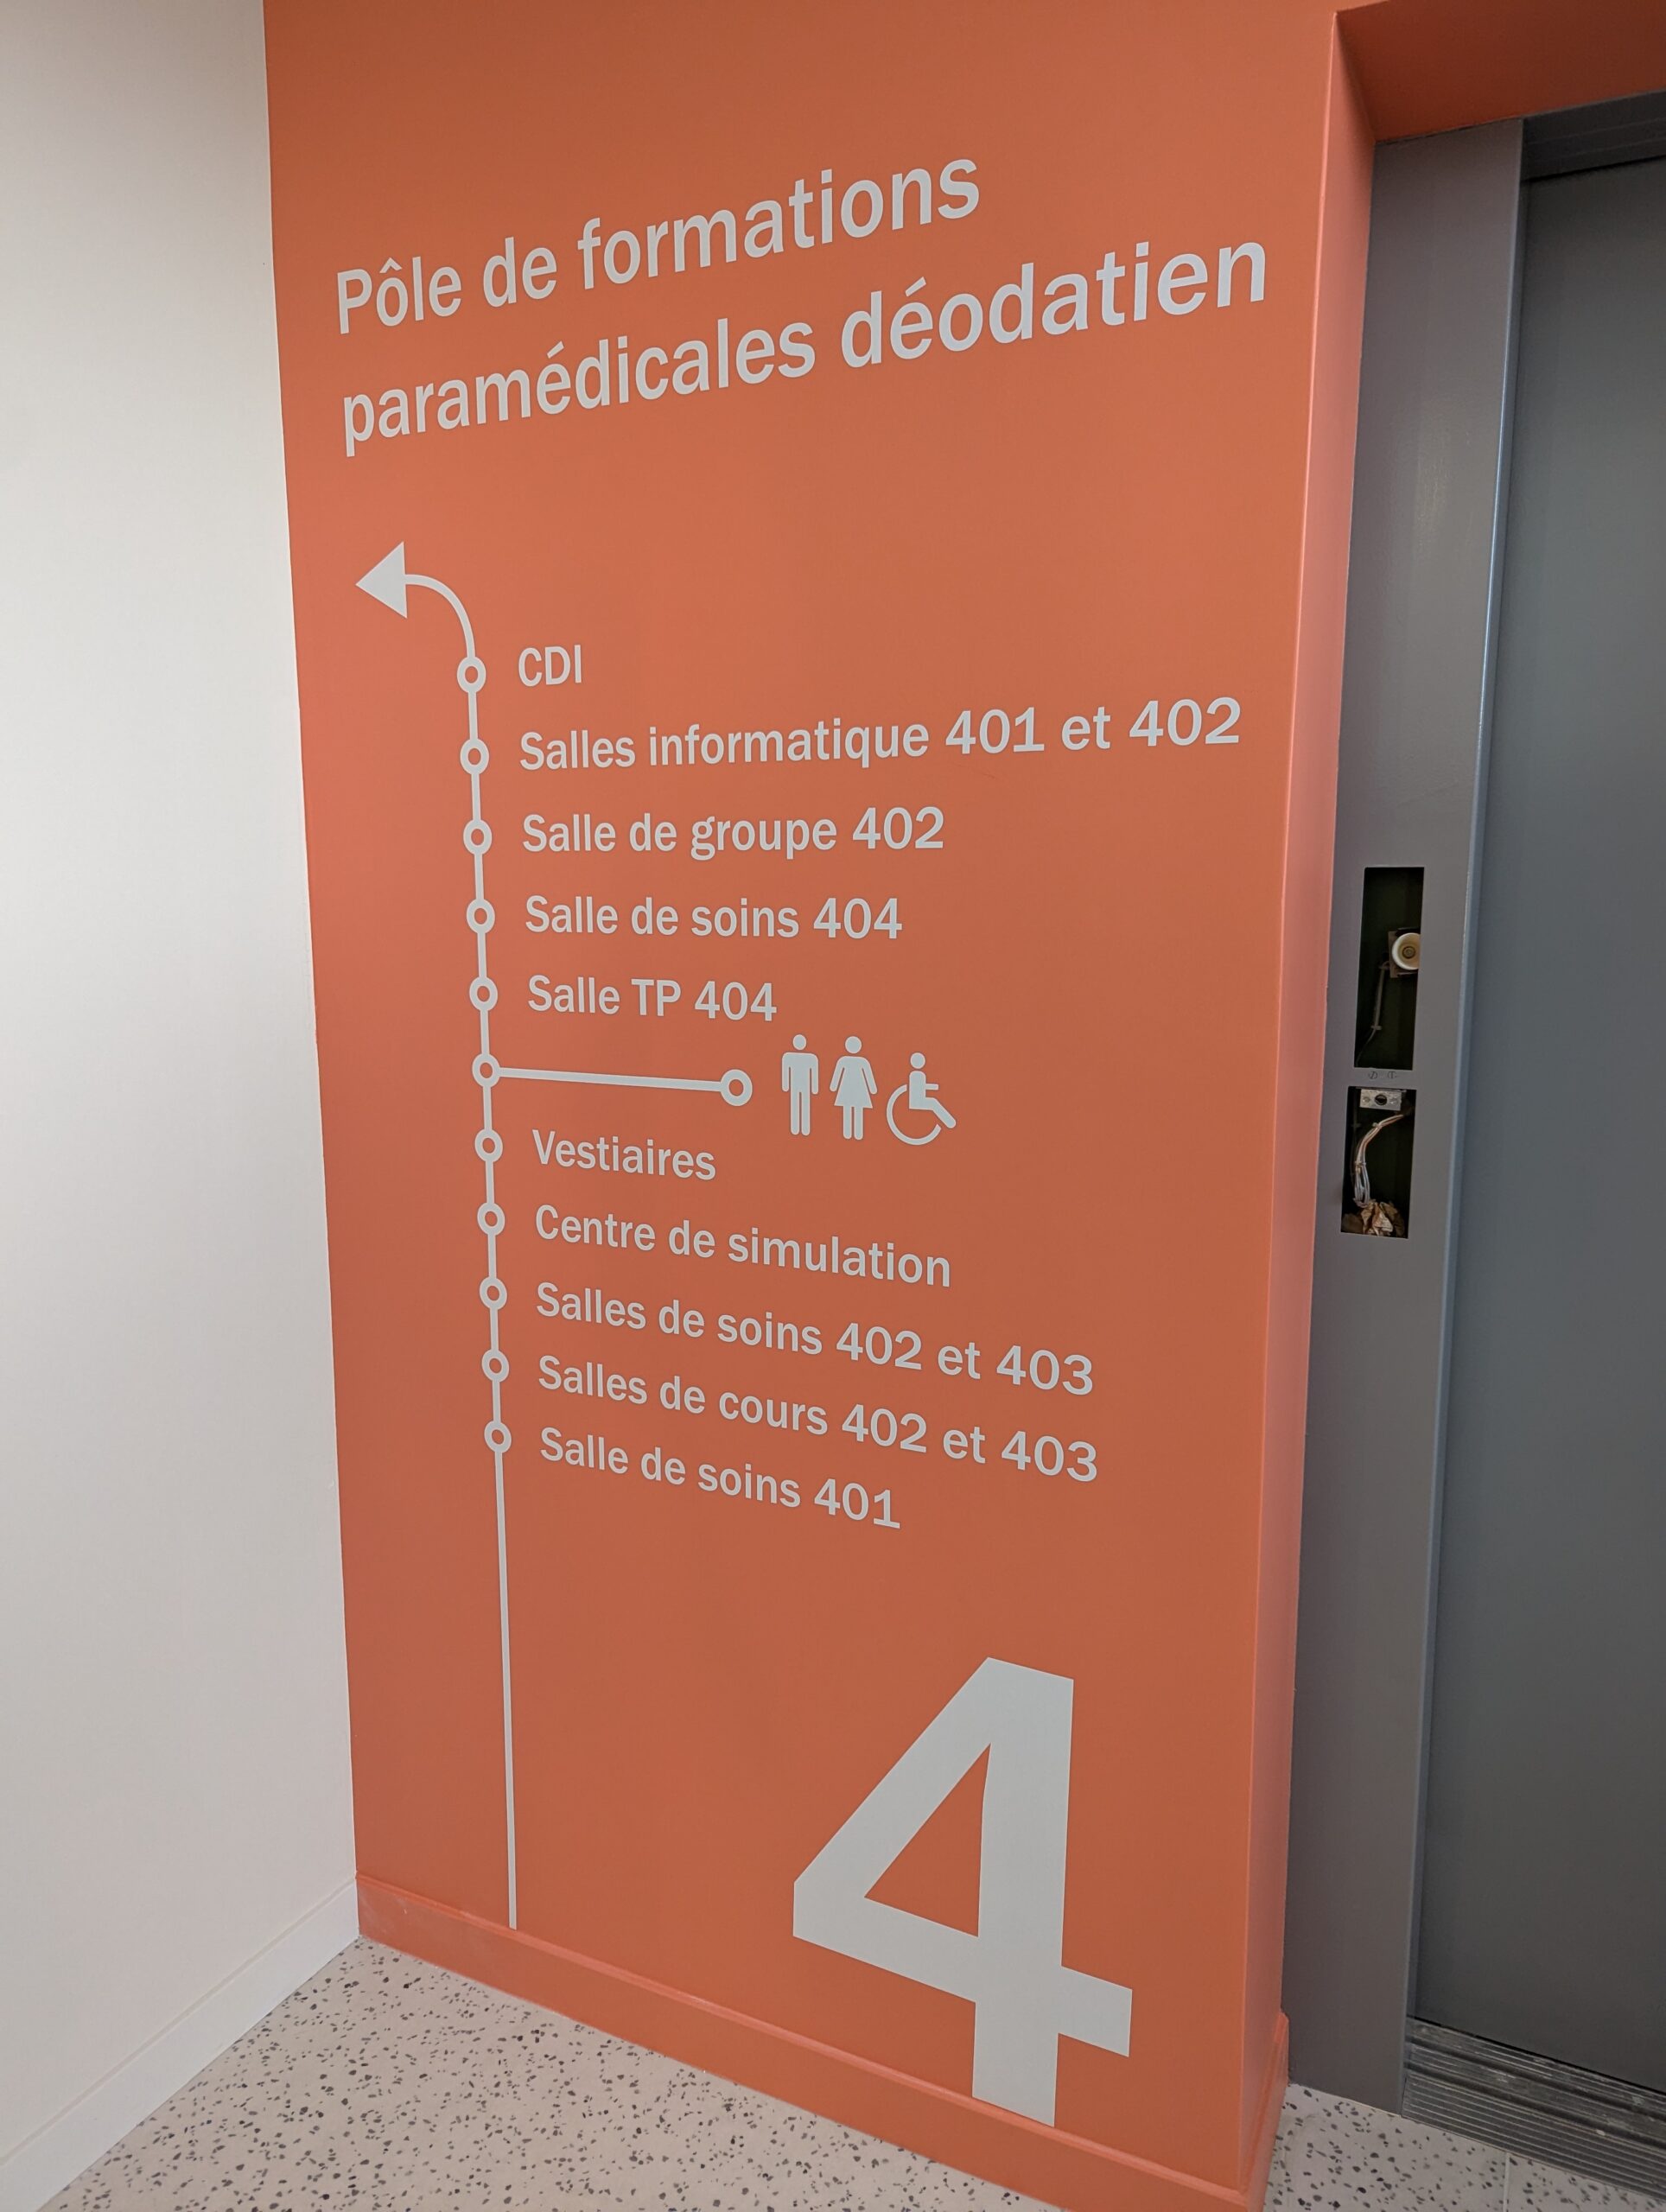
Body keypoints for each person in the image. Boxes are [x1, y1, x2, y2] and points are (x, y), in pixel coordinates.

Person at [830, 1036, 876, 1139]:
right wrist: (873, 1089)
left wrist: (834, 1087)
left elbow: (837, 1075)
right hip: (857, 1089)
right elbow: (868, 1076)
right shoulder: (859, 1061)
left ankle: (851, 1133)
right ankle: (855, 1133)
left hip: (849, 1088)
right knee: (855, 1109)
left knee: (851, 1109)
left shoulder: (846, 1060)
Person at [780, 1034, 818, 1135]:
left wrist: (814, 1088)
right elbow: (785, 1072)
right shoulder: (788, 1057)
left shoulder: (811, 1058)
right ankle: (796, 1128)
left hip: (803, 1086)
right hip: (796, 1085)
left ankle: (804, 1128)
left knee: (802, 1104)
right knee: (796, 1104)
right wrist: (785, 1086)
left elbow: (814, 1073)